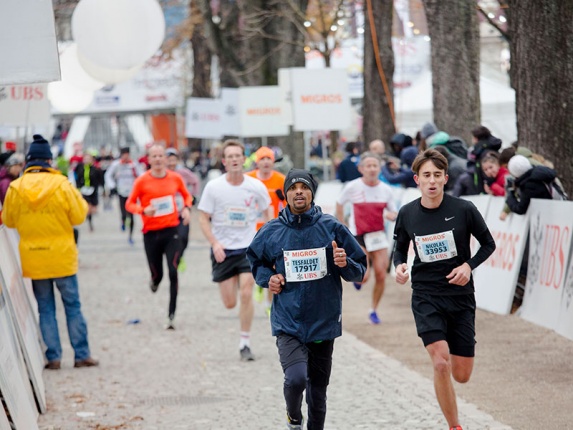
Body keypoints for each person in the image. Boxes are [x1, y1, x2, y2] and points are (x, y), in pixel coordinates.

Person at [247, 168, 366, 430]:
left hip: (323, 320)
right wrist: (269, 279)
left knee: (318, 393)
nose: (298, 192)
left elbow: (360, 269)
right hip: (288, 321)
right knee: (296, 379)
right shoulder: (271, 231)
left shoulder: (332, 228)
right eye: (292, 188)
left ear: (312, 192)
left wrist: (344, 263)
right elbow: (256, 261)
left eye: (303, 187)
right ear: (286, 195)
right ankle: (293, 417)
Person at [392, 149, 496, 430]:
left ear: (446, 178)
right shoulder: (407, 213)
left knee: (461, 375)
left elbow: (489, 244)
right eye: (426, 175)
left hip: (460, 297)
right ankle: (455, 426)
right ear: (417, 179)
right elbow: (399, 249)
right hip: (426, 295)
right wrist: (400, 266)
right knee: (440, 362)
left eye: (437, 175)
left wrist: (468, 266)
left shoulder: (463, 210)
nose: (432, 181)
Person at [2, 134, 99, 369]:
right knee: (72, 305)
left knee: (45, 308)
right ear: (49, 160)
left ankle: (53, 357)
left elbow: (9, 220)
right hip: (62, 256)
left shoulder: (16, 188)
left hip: (34, 257)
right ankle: (81, 354)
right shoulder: (62, 184)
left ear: (28, 162)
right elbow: (78, 215)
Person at [198, 139, 271, 361]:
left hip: (248, 247)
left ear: (243, 159)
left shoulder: (255, 186)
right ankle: (241, 325)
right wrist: (215, 243)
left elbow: (268, 211)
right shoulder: (214, 187)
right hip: (223, 249)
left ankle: (245, 342)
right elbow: (202, 217)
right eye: (229, 156)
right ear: (224, 161)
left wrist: (265, 239)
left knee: (247, 292)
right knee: (230, 302)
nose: (234, 159)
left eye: (237, 155)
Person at [125, 144, 192, 330]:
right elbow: (129, 204)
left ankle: (171, 314)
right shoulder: (141, 181)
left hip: (172, 232)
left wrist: (186, 208)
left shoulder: (175, 178)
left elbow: (187, 197)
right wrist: (143, 210)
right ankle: (154, 281)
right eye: (154, 156)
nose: (158, 159)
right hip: (151, 234)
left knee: (173, 271)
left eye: (160, 155)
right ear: (149, 159)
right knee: (158, 274)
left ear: (165, 158)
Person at [336, 152, 397, 324]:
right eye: (368, 166)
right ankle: (359, 280)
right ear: (361, 169)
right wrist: (342, 227)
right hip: (358, 236)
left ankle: (374, 310)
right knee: (364, 276)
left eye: (374, 165)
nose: (371, 169)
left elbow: (393, 210)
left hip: (378, 236)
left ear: (379, 168)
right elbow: (339, 203)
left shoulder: (386, 190)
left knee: (381, 274)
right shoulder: (352, 187)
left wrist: (392, 215)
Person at [246, 146, 287, 313]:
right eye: (262, 159)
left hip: (273, 228)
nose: (265, 162)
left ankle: (270, 303)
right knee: (255, 261)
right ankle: (259, 285)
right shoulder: (248, 179)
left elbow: (286, 204)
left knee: (273, 264)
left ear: (273, 162)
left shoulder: (281, 180)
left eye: (268, 159)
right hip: (251, 227)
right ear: (257, 162)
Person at [165, 147, 201, 271]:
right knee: (171, 239)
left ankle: (179, 256)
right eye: (169, 160)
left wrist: (193, 196)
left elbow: (195, 181)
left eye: (174, 160)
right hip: (167, 214)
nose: (171, 163)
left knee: (183, 237)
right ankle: (174, 258)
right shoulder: (162, 174)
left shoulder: (183, 173)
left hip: (183, 210)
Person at [104, 146, 143, 244]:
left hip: (132, 192)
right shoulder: (116, 165)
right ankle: (123, 220)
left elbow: (142, 175)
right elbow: (108, 175)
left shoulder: (134, 165)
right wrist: (112, 186)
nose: (125, 156)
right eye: (124, 154)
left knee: (132, 214)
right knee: (124, 212)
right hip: (121, 191)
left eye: (127, 154)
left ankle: (130, 236)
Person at [73, 152, 104, 232]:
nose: (87, 160)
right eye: (85, 159)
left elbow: (100, 180)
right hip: (83, 190)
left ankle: (89, 220)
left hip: (93, 191)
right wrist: (78, 187)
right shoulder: (80, 168)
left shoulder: (95, 169)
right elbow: (76, 177)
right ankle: (89, 223)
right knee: (87, 207)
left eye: (88, 159)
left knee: (92, 208)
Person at [0, 152, 24, 219]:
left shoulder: (10, 179)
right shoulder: (6, 182)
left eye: (19, 166)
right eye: (15, 166)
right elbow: (7, 203)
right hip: (7, 218)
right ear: (8, 167)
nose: (18, 169)